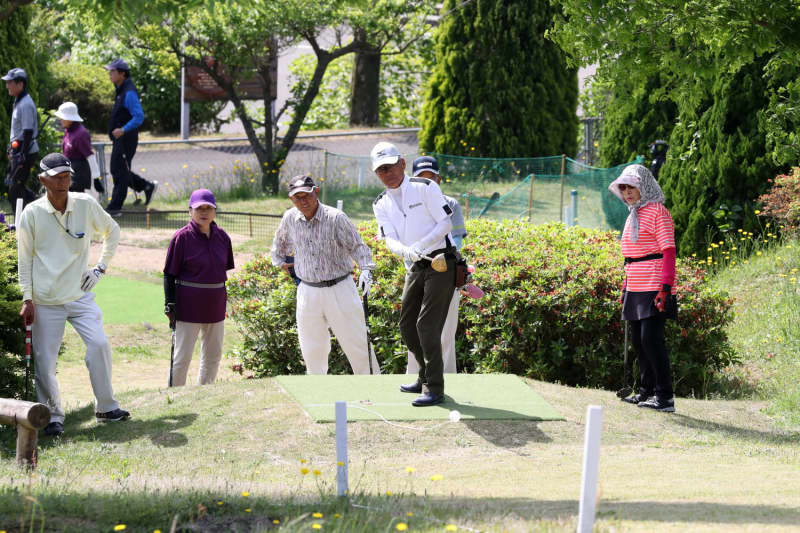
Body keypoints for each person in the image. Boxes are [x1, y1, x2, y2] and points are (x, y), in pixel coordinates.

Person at [17, 153, 130, 437]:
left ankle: (106, 406)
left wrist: (100, 268)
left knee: (100, 344)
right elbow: (25, 260)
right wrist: (26, 298)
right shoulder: (31, 213)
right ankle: (52, 415)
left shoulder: (85, 204)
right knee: (45, 362)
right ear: (43, 180)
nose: (63, 183)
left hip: (80, 297)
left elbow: (112, 231)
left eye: (67, 177)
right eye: (57, 178)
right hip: (45, 300)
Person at [371, 142, 456, 406]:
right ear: (377, 174)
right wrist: (405, 251)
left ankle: (434, 387)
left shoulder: (426, 187)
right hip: (415, 265)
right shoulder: (381, 203)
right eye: (381, 170)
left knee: (426, 326)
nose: (388, 173)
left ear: (403, 163)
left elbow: (446, 223)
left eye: (391, 166)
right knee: (407, 326)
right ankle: (423, 374)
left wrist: (421, 246)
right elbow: (389, 238)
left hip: (442, 261)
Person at [270, 175, 379, 375]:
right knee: (312, 351)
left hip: (340, 288)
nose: (302, 201)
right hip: (307, 291)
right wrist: (283, 264)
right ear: (291, 199)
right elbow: (279, 247)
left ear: (316, 192)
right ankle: (318, 396)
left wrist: (366, 269)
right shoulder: (289, 218)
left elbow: (357, 246)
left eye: (306, 195)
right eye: (297, 197)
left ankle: (374, 391)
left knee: (358, 345)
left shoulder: (335, 217)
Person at [609, 164, 677, 412]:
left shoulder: (659, 211)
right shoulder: (633, 214)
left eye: (632, 187)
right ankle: (646, 392)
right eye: (623, 188)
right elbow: (631, 255)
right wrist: (625, 287)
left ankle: (665, 397)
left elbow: (668, 250)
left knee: (651, 339)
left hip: (655, 283)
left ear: (644, 187)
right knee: (638, 341)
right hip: (635, 284)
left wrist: (666, 287)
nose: (627, 192)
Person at [163, 189, 234, 386]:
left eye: (208, 208)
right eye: (199, 208)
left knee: (213, 355)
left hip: (215, 306)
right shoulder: (181, 238)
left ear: (215, 211)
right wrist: (169, 303)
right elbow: (169, 274)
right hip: (188, 307)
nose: (204, 212)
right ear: (190, 211)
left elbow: (222, 271)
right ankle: (175, 397)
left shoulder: (223, 238)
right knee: (182, 357)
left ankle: (204, 393)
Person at [406, 155, 466, 376]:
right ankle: (417, 376)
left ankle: (446, 378)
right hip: (417, 273)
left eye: (431, 178)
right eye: (422, 178)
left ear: (439, 179)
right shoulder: (405, 205)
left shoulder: (451, 204)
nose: (428, 182)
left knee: (445, 331)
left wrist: (443, 256)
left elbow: (457, 238)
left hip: (445, 274)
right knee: (415, 329)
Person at [103, 59, 157, 215]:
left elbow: (139, 116)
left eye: (113, 71)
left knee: (119, 171)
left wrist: (123, 130)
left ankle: (115, 208)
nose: (110, 74)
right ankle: (146, 186)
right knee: (119, 169)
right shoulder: (121, 89)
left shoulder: (129, 92)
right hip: (121, 138)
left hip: (126, 138)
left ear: (122, 73)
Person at [3, 67, 39, 217]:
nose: (7, 86)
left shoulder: (26, 104)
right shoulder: (19, 101)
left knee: (15, 187)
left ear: (20, 84)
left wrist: (22, 154)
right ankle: (39, 204)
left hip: (25, 151)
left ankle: (23, 221)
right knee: (14, 186)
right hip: (18, 150)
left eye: (10, 82)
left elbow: (28, 131)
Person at [55, 101, 94, 193]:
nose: (60, 120)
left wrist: (96, 177)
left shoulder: (81, 134)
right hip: (69, 171)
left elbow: (90, 156)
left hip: (78, 173)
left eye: (63, 117)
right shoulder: (68, 131)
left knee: (75, 202)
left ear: (70, 119)